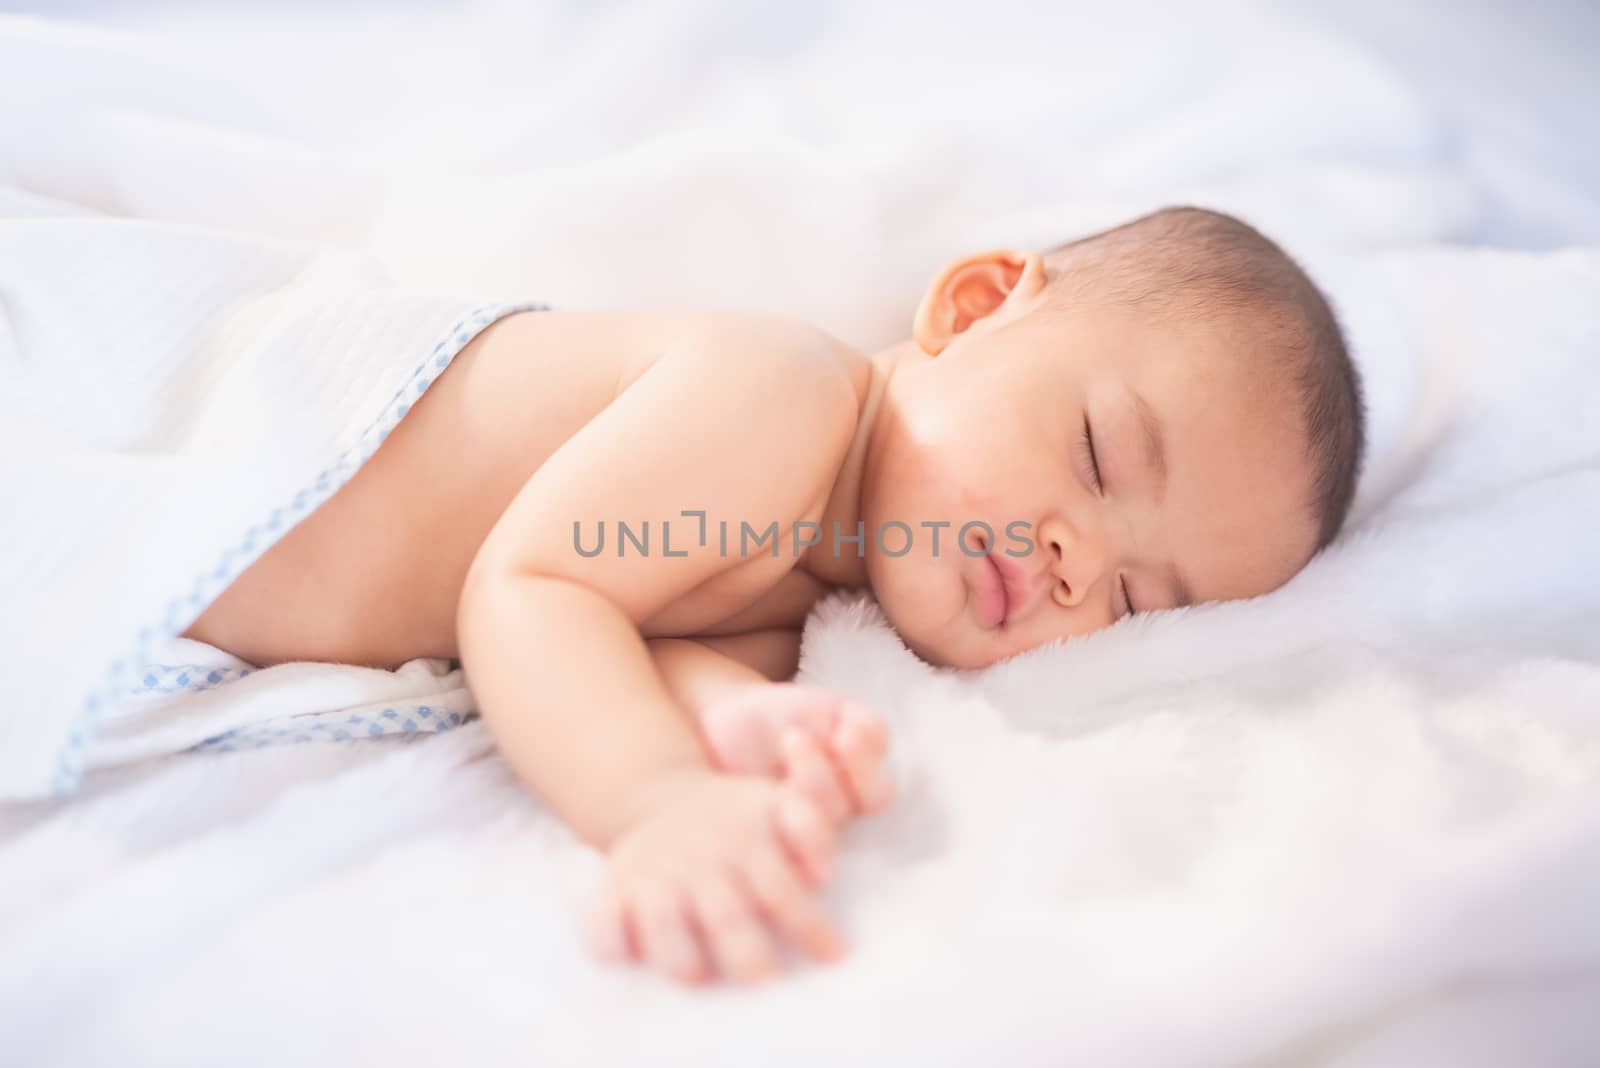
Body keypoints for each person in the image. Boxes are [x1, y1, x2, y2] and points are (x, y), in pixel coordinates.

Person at [181, 205, 1366, 987]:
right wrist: (654, 800)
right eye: (1100, 457)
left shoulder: (803, 603)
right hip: (204, 444)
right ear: (972, 309)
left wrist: (733, 723)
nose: (1072, 562)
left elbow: (629, 646)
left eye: (1133, 597)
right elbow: (535, 591)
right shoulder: (780, 396)